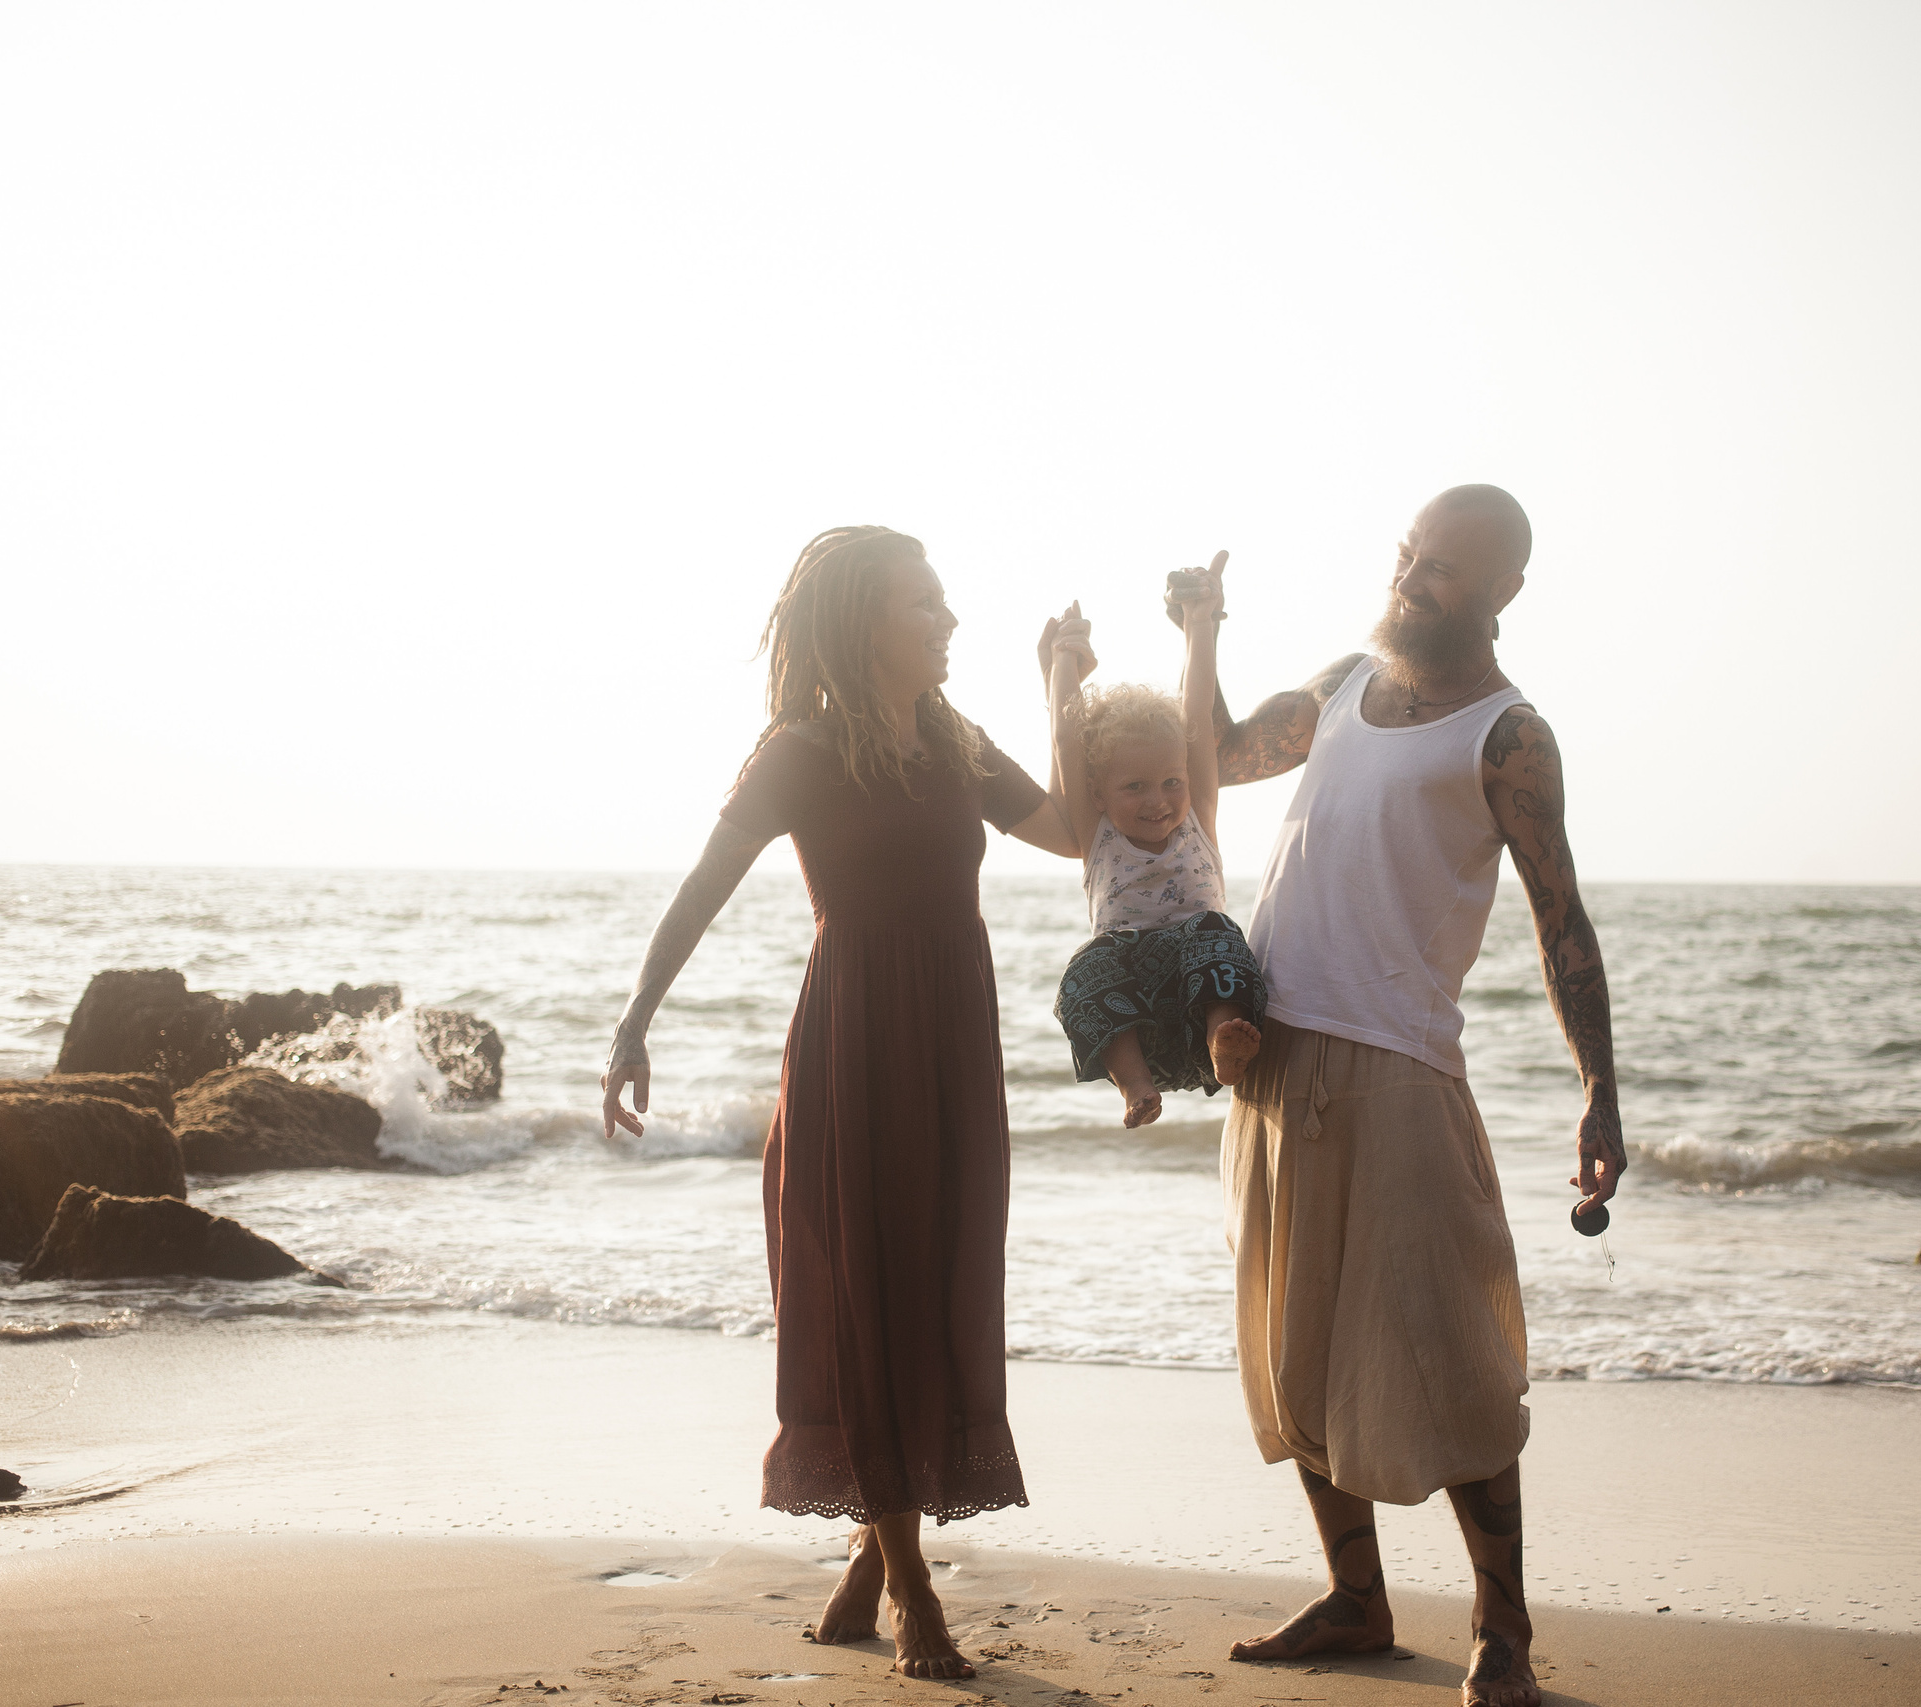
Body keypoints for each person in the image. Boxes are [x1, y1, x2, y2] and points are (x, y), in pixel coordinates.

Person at [599, 525, 1083, 1681]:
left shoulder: (956, 742)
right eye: (926, 604)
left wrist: (1062, 684)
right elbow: (702, 890)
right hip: (854, 1041)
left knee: (935, 1280)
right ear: (866, 620)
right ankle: (913, 1586)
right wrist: (632, 1021)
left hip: (954, 1039)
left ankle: (870, 1564)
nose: (948, 621)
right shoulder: (802, 750)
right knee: (868, 1295)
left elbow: (1072, 832)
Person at [1199, 485, 1624, 1707]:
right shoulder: (1341, 685)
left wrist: (1596, 1085)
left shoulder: (1507, 735)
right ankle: (1355, 1597)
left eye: (1439, 568)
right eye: (1407, 555)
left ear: (1501, 593)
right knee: (1297, 1354)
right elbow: (1220, 755)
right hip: (1272, 1061)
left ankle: (1505, 1632)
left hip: (1399, 1070)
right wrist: (1201, 633)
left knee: (1451, 1361)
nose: (1411, 578)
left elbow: (1560, 917)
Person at [1036, 558, 1267, 1128]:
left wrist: (1199, 619)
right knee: (1084, 971)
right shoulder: (1099, 836)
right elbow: (1067, 735)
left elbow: (1197, 704)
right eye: (1134, 786)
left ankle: (1224, 1041)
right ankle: (1135, 1087)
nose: (1158, 800)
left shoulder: (1198, 817)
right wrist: (1064, 662)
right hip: (1135, 1017)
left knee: (1215, 932)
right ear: (1097, 792)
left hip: (1200, 1011)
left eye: (1171, 782)